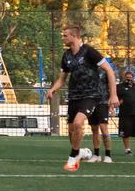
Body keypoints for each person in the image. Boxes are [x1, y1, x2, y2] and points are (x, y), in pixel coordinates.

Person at [45, 25, 116, 172]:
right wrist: (52, 89)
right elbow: (62, 79)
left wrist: (113, 95)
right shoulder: (66, 55)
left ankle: (73, 158)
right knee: (71, 131)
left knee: (78, 123)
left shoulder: (89, 51)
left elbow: (109, 70)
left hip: (91, 95)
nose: (63, 38)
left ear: (74, 36)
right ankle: (82, 152)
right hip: (74, 96)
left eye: (65, 35)